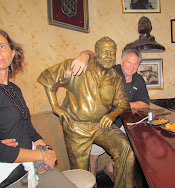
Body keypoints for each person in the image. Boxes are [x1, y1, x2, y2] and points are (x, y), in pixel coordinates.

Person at [37, 37, 135, 188]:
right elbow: (48, 78)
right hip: (77, 127)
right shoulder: (79, 66)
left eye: (112, 52)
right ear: (96, 53)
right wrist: (55, 107)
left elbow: (123, 104)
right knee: (80, 174)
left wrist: (112, 115)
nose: (109, 55)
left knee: (125, 148)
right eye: (104, 52)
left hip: (101, 126)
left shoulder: (115, 77)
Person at [0, 30, 76, 188]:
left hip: (31, 165)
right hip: (10, 174)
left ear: (12, 53)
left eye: (2, 46)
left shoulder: (14, 89)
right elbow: (2, 151)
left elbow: (29, 129)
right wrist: (41, 155)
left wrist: (46, 149)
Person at [71, 47, 150, 181]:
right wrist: (84, 55)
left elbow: (145, 103)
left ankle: (109, 168)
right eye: (129, 62)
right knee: (94, 155)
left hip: (122, 122)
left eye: (135, 63)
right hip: (101, 121)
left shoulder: (138, 80)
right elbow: (94, 57)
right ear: (121, 60)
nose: (132, 67)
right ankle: (93, 183)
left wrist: (126, 105)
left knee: (131, 150)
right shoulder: (110, 71)